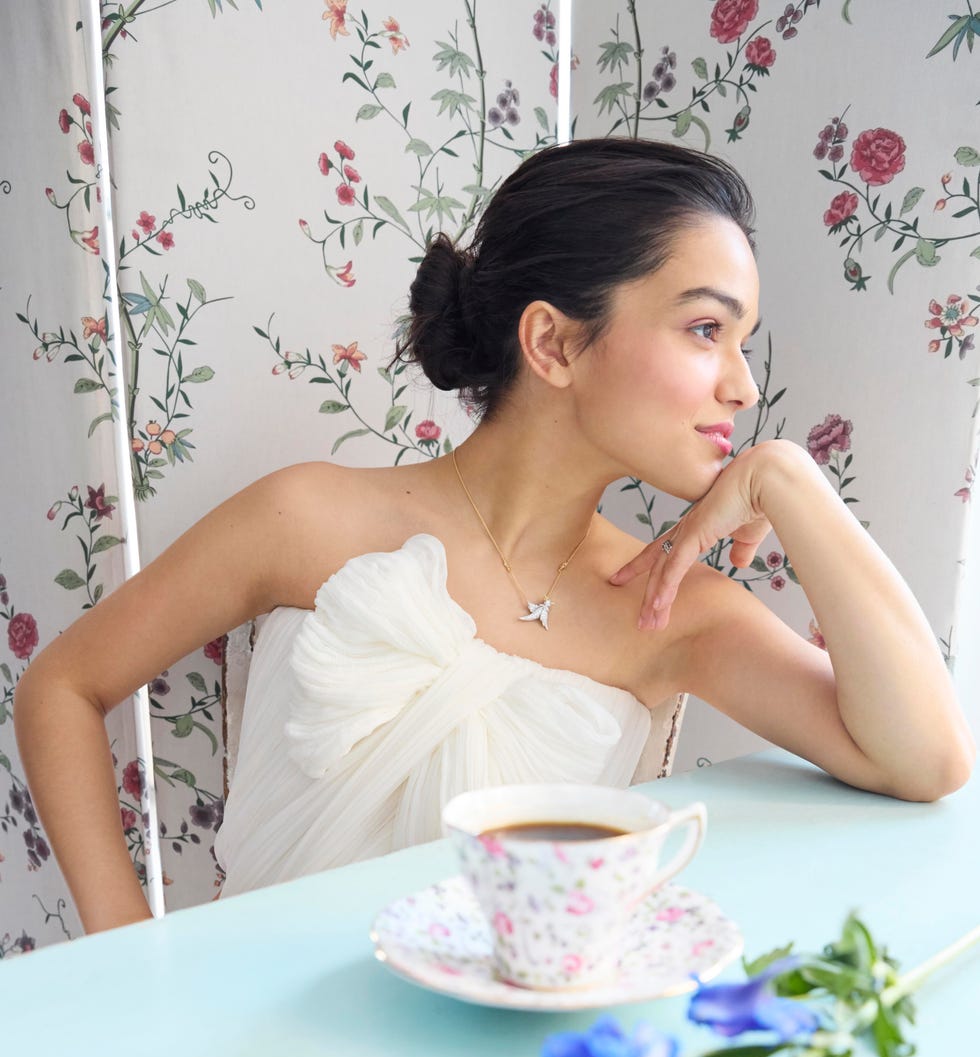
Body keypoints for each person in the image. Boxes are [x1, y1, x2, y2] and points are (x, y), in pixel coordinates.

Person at [14, 138, 974, 934]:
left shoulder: (671, 610)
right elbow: (62, 686)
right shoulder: (307, 518)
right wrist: (127, 950)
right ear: (553, 343)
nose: (743, 385)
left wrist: (792, 483)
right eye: (703, 330)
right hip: (245, 1044)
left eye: (742, 339)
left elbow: (926, 761)